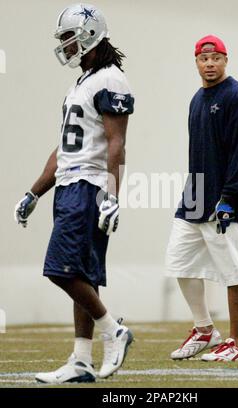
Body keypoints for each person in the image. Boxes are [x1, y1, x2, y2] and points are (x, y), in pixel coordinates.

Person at [14, 3, 135, 383]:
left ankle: (113, 329)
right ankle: (81, 360)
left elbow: (117, 144)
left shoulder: (111, 80)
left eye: (69, 37)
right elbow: (63, 149)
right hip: (68, 185)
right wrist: (34, 193)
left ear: (89, 35)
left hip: (90, 186)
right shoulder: (80, 84)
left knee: (59, 269)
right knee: (82, 273)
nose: (65, 45)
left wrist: (113, 194)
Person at [166, 35, 238, 362]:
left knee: (234, 272)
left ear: (225, 60)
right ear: (196, 62)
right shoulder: (197, 99)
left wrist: (229, 198)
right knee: (179, 261)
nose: (209, 64)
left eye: (215, 58)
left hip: (228, 199)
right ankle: (204, 329)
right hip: (195, 194)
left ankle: (237, 343)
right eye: (203, 59)